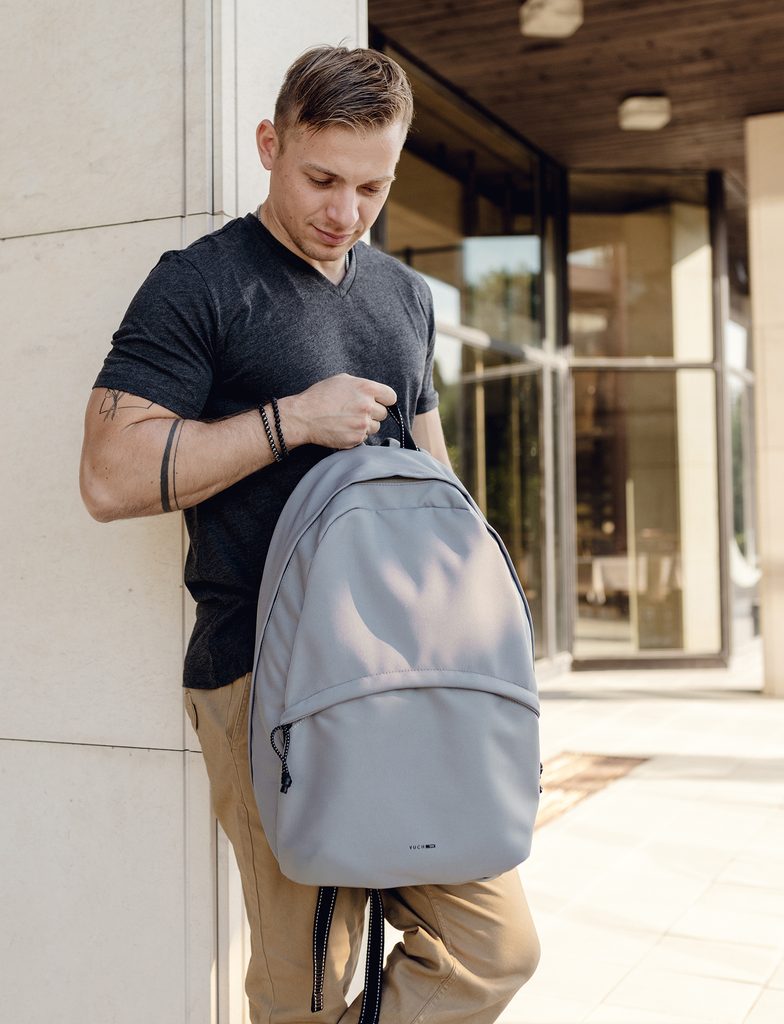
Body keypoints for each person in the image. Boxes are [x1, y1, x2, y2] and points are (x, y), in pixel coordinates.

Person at [80, 44, 539, 1024]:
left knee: (493, 946)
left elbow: (435, 482)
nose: (345, 210)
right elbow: (109, 475)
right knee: (307, 986)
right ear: (269, 145)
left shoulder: (404, 295)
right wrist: (293, 420)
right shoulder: (201, 283)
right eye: (322, 178)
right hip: (264, 675)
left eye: (372, 187)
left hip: (406, 676)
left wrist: (482, 649)